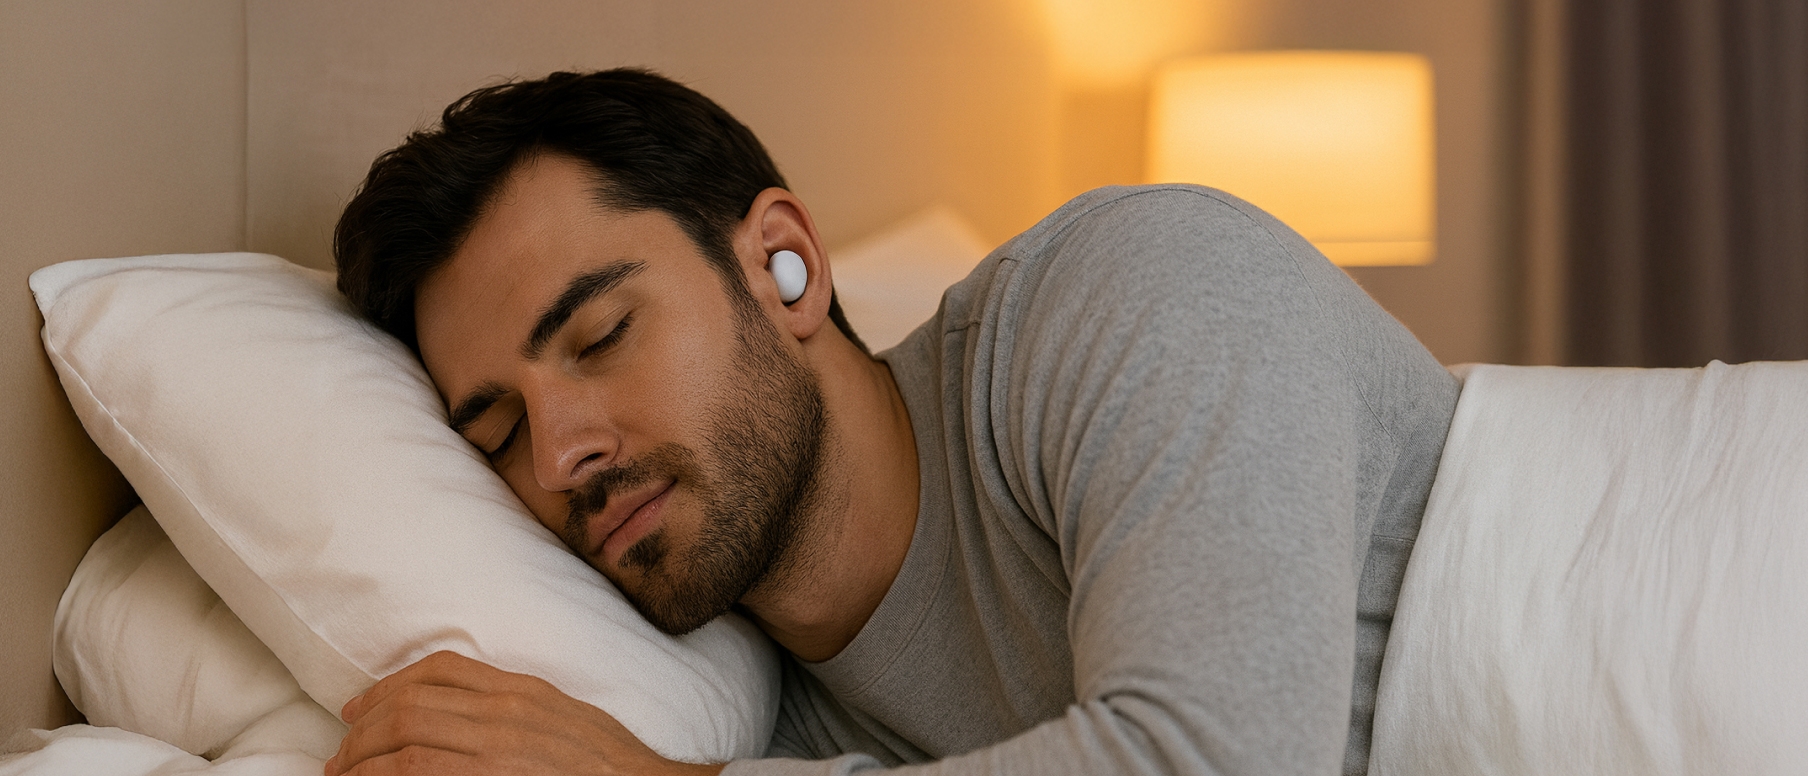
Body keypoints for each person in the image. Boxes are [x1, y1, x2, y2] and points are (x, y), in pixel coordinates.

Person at [326, 68, 1458, 776]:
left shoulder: (1137, 286)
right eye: (495, 435)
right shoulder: (761, 714)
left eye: (603, 334)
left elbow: (1216, 760)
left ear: (787, 268)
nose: (561, 452)